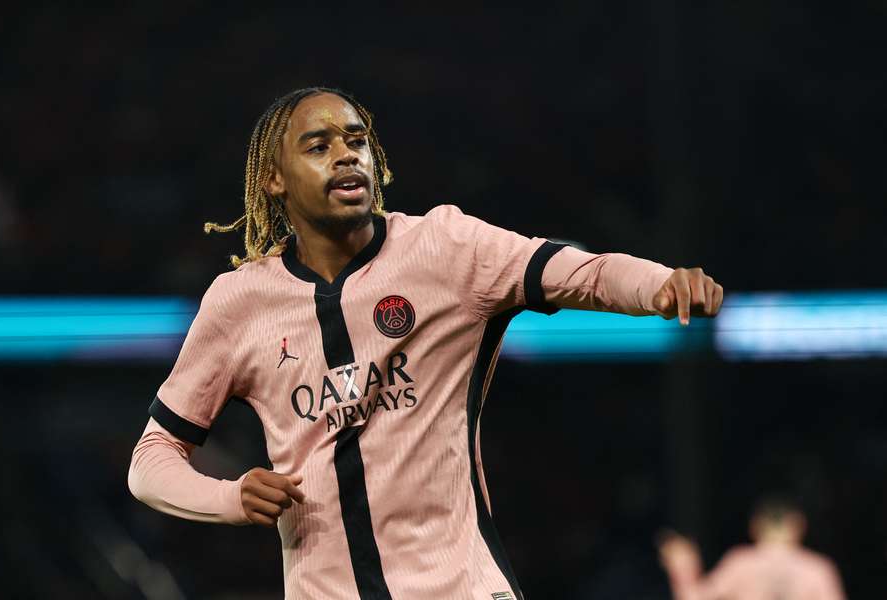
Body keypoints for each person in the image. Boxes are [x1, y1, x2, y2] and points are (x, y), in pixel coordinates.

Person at [127, 86, 723, 600]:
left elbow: (580, 272)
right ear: (274, 179)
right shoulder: (238, 303)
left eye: (356, 141)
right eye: (319, 146)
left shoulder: (446, 248)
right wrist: (231, 497)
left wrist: (661, 284)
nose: (346, 157)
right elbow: (151, 462)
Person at [658, 496, 846, 600]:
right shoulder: (817, 569)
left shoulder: (741, 562)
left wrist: (683, 567)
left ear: (755, 527)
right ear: (798, 526)